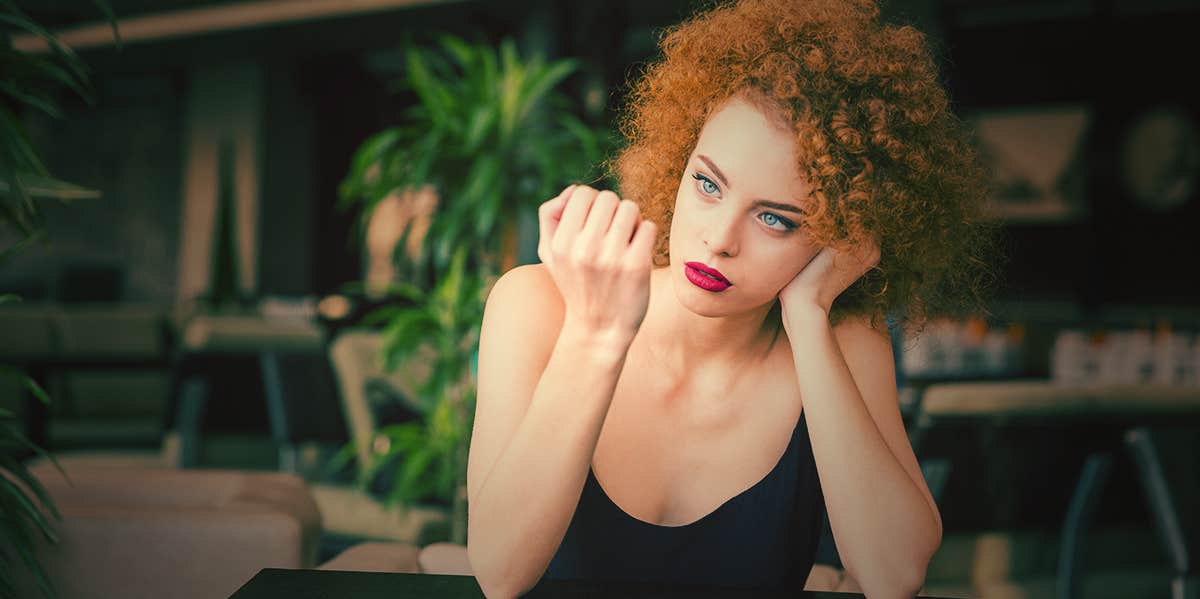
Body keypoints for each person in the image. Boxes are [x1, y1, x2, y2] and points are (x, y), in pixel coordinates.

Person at [465, 0, 996, 597]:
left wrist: (807, 315)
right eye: (708, 184)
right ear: (678, 160)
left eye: (775, 219)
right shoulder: (538, 304)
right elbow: (498, 573)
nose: (719, 241)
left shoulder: (841, 340)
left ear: (841, 233)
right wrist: (597, 334)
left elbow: (894, 575)